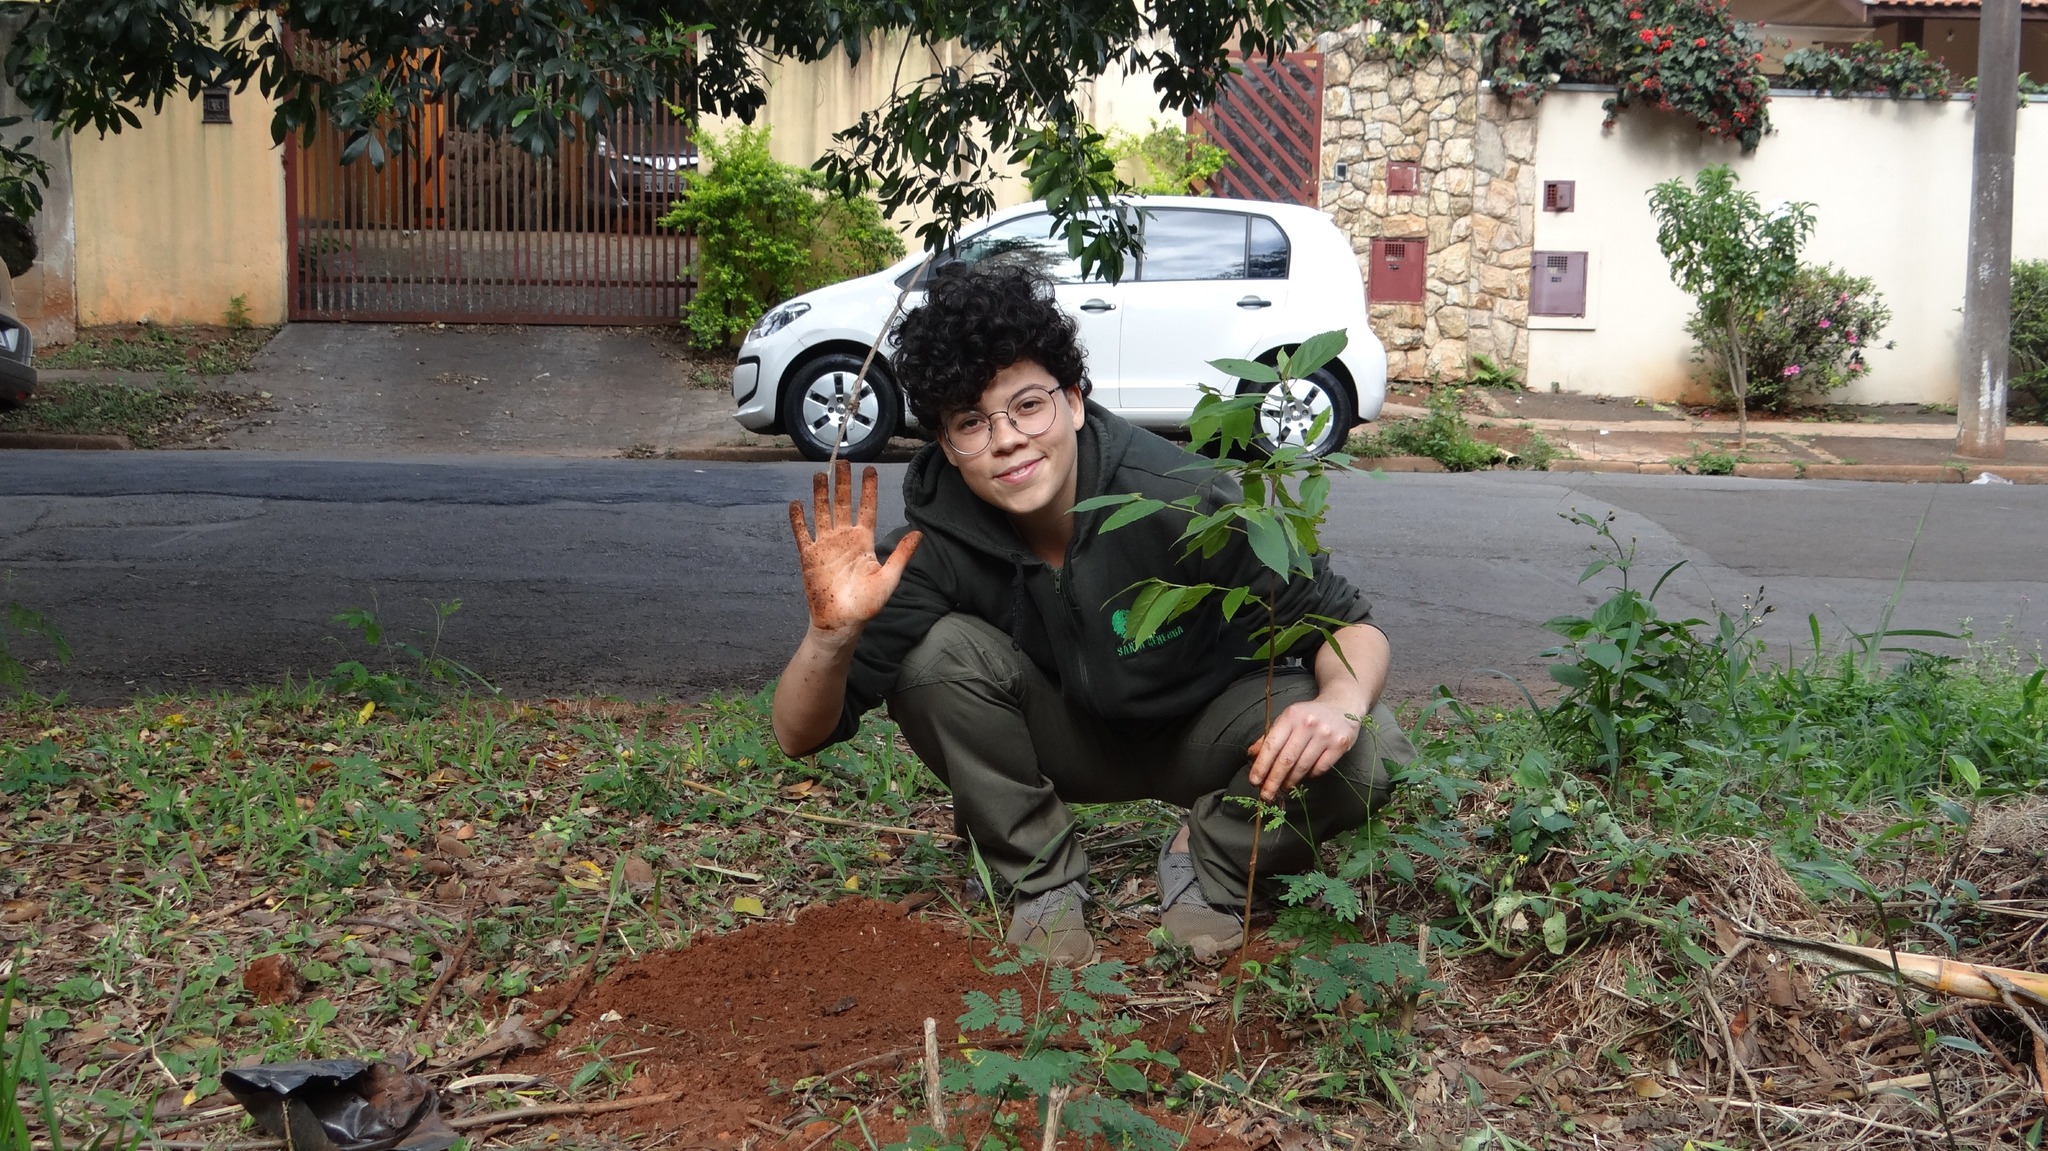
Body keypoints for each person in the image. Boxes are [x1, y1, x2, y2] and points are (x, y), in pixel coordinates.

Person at [771, 260, 1412, 964]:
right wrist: (831, 635)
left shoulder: (1179, 496)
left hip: (1211, 729)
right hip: (1063, 734)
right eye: (970, 422)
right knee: (933, 656)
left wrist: (1342, 699)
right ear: (947, 449)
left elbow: (1347, 623)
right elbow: (800, 734)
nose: (1007, 437)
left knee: (1367, 744)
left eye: (1028, 405)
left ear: (1074, 400)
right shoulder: (932, 544)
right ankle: (1042, 876)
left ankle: (1213, 858)